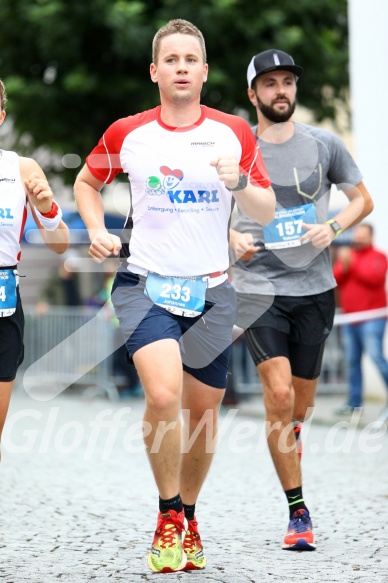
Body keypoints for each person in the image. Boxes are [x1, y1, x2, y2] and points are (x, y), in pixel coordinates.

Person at [73, 19, 275, 573]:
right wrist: (94, 228)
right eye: (172, 59)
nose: (182, 67)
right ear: (155, 71)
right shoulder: (129, 134)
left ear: (204, 72)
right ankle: (166, 517)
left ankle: (189, 514)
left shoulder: (235, 132)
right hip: (144, 286)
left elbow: (266, 210)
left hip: (213, 291)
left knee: (203, 418)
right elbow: (87, 182)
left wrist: (240, 184)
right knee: (163, 398)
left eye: (192, 59)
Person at [229, 49, 374, 552]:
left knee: (299, 409)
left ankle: (289, 439)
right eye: (269, 84)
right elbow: (211, 215)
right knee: (280, 396)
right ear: (253, 94)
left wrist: (331, 226)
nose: (280, 91)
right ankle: (298, 511)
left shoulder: (325, 144)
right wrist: (231, 240)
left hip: (315, 291)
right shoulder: (235, 150)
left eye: (287, 81)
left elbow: (363, 200)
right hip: (257, 289)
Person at [0, 79, 70, 454]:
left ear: (1, 115)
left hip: (4, 305)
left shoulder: (22, 168)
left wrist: (46, 209)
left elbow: (59, 244)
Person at [333, 223, 388, 418]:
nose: (359, 239)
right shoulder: (348, 258)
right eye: (357, 235)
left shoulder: (379, 257)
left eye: (363, 235)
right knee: (352, 362)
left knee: (376, 357)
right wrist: (345, 264)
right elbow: (335, 280)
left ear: (371, 237)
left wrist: (352, 262)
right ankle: (354, 403)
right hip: (350, 319)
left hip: (372, 318)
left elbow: (374, 278)